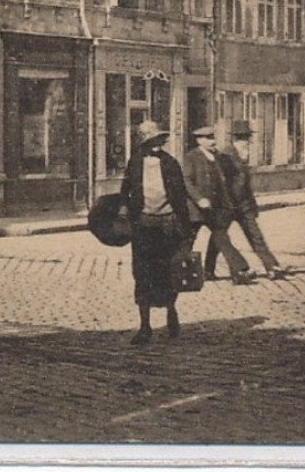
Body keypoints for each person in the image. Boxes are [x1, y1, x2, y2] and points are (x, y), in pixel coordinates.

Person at [119, 119, 197, 344]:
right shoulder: (134, 163)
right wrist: (124, 207)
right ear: (143, 143)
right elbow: (125, 190)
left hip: (168, 224)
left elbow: (180, 197)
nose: (155, 145)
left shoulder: (170, 163)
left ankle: (171, 311)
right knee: (142, 274)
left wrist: (185, 227)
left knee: (169, 272)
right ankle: (145, 326)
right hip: (143, 225)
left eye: (158, 140)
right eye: (150, 141)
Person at [210, 120, 288, 280]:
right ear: (235, 139)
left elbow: (245, 185)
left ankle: (271, 266)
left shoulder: (243, 154)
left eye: (247, 138)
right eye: (243, 138)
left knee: (255, 236)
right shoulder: (226, 155)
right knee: (219, 238)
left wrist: (252, 205)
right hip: (229, 205)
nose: (247, 142)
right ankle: (208, 270)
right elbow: (222, 182)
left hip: (244, 205)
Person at [183, 125, 255, 285]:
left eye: (213, 138)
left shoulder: (218, 157)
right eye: (208, 138)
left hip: (216, 208)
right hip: (196, 209)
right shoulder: (191, 157)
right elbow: (187, 181)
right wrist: (199, 198)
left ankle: (238, 270)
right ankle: (182, 273)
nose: (212, 141)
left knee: (221, 237)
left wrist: (227, 203)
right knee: (188, 241)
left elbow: (224, 181)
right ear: (199, 140)